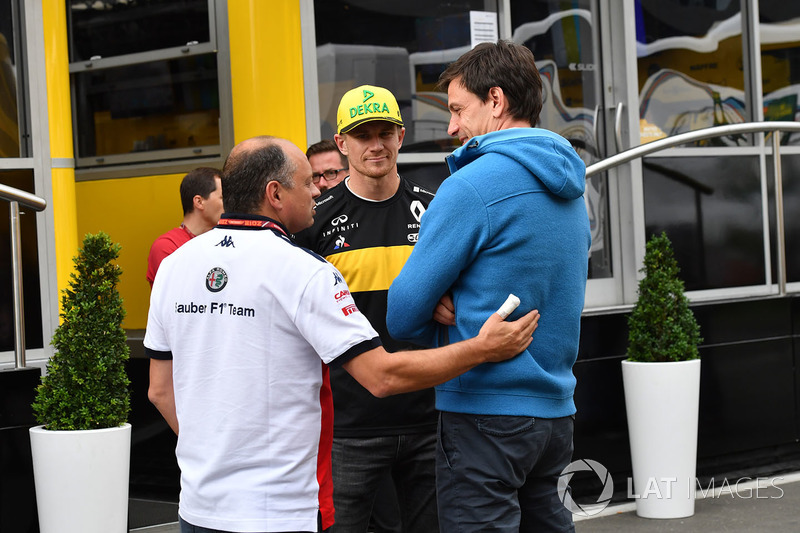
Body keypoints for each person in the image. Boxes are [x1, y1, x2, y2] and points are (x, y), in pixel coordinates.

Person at [144, 135, 540, 533]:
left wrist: (213, 451)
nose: (318, 188)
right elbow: (382, 376)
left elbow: (159, 391)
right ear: (275, 194)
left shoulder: (174, 266)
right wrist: (482, 348)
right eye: (307, 182)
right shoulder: (304, 270)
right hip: (279, 511)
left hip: (198, 507)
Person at [386, 40, 591, 532]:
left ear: (496, 101)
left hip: (483, 414)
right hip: (556, 416)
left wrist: (439, 298)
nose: (452, 126)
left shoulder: (471, 186)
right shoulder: (571, 188)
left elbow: (401, 313)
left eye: (458, 109)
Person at [295, 85, 437, 533]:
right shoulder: (313, 219)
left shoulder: (434, 211)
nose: (375, 145)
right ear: (342, 144)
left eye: (385, 133)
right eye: (362, 136)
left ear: (400, 136)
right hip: (348, 427)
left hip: (429, 420)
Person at [145, 167, 224, 287]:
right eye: (223, 198)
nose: (230, 204)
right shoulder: (167, 246)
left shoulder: (223, 241)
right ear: (199, 202)